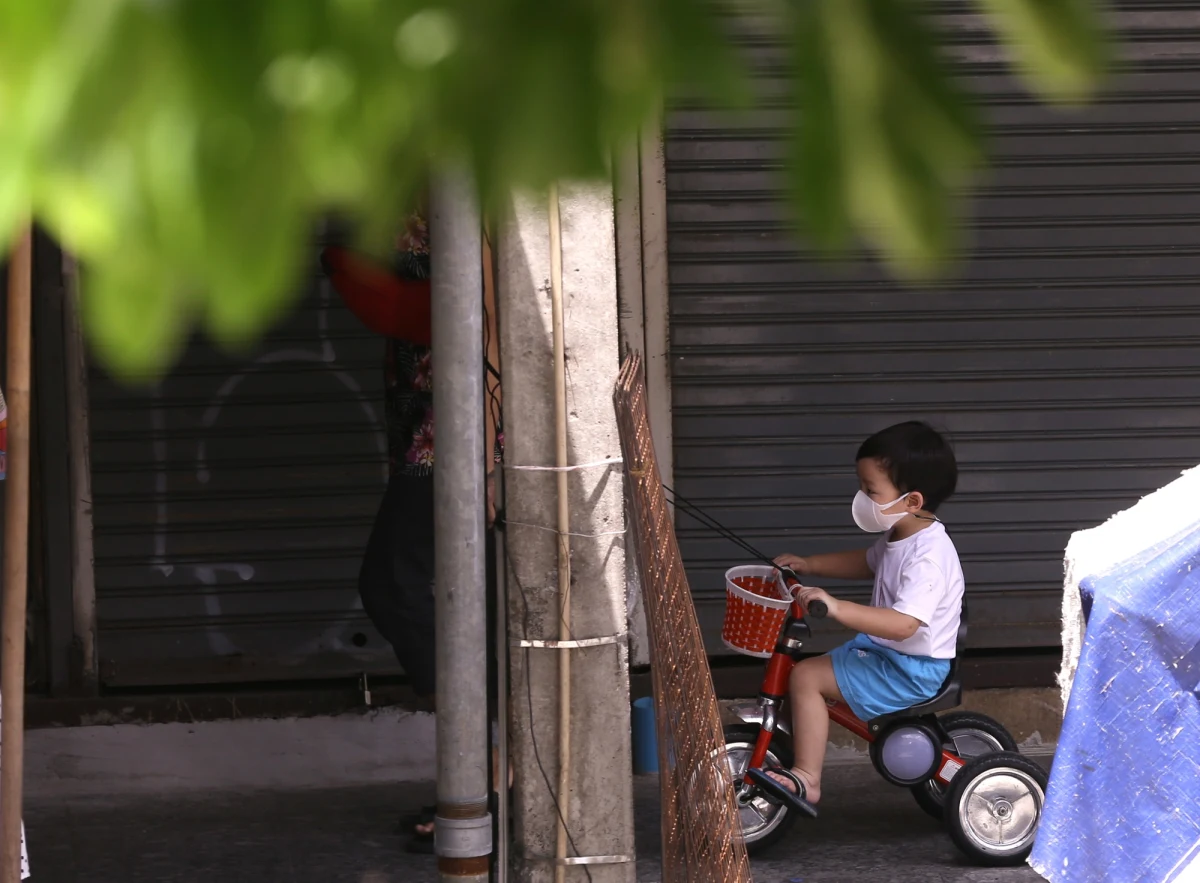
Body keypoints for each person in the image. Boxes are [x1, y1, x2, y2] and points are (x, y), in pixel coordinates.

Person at [322, 209, 504, 852]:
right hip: (423, 433)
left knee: (393, 583)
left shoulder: (461, 202)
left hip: (447, 441)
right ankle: (479, 780)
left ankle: (480, 771)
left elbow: (488, 329)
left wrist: (484, 460)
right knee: (462, 605)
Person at [768, 421, 963, 808]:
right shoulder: (901, 534)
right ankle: (796, 756)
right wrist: (810, 564)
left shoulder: (929, 558)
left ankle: (808, 778)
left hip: (910, 668)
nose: (862, 496)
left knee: (806, 678)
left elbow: (904, 625)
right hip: (888, 654)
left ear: (912, 501)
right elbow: (866, 562)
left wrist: (837, 607)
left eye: (870, 490)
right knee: (804, 675)